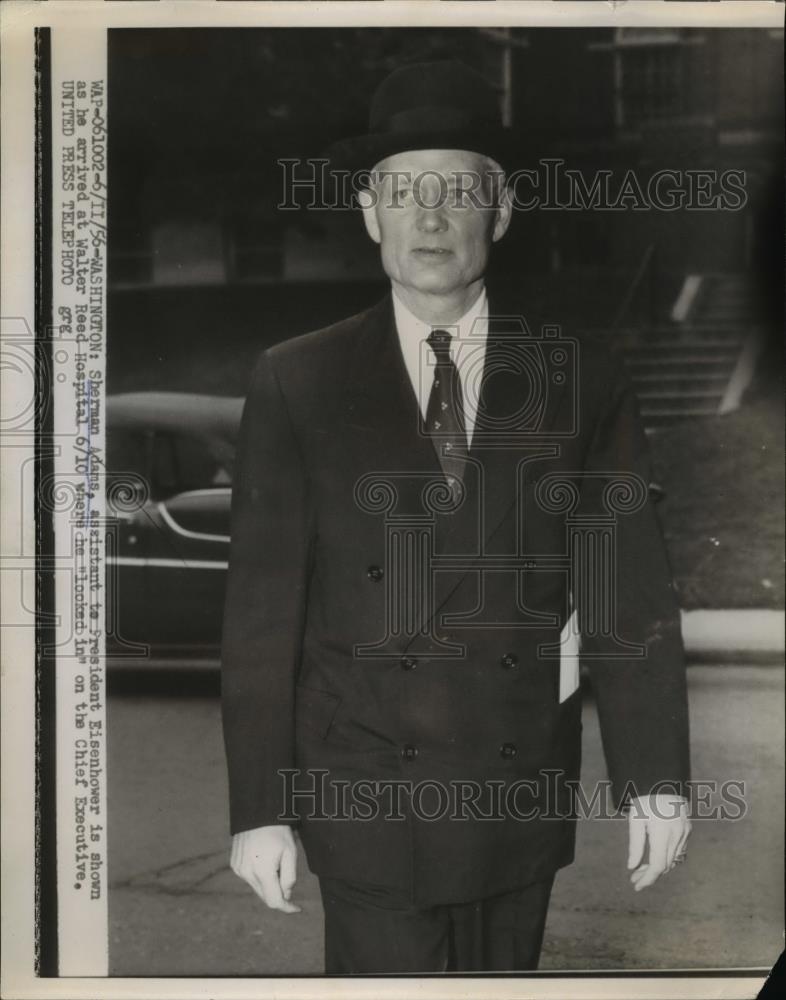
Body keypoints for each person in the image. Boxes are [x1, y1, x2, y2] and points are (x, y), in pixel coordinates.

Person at [221, 60, 691, 974]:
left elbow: (626, 592)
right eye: (403, 191)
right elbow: (261, 616)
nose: (429, 217)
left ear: (501, 213)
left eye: (458, 191)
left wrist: (657, 783)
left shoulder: (582, 377)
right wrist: (259, 807)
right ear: (370, 215)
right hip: (363, 796)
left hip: (514, 795)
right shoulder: (298, 379)